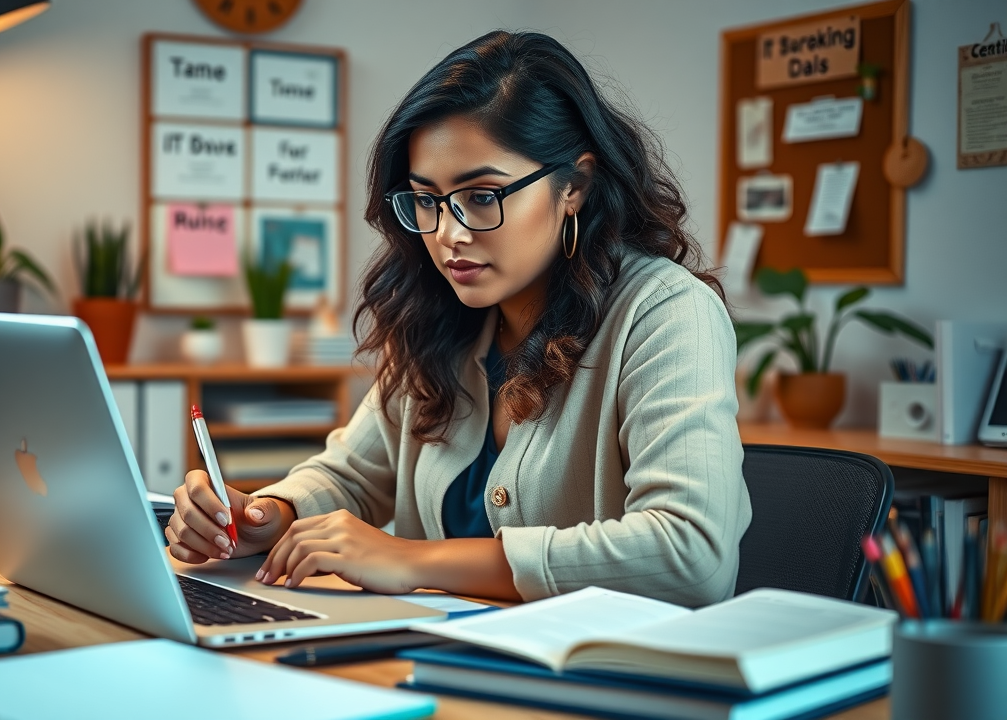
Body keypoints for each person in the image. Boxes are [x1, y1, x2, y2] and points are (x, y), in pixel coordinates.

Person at [165, 30, 752, 606]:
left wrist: (410, 560)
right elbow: (353, 475)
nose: (449, 234)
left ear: (574, 185)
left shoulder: (666, 315)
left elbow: (690, 553)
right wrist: (268, 515)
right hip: (445, 663)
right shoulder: (438, 317)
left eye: (482, 196)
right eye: (427, 200)